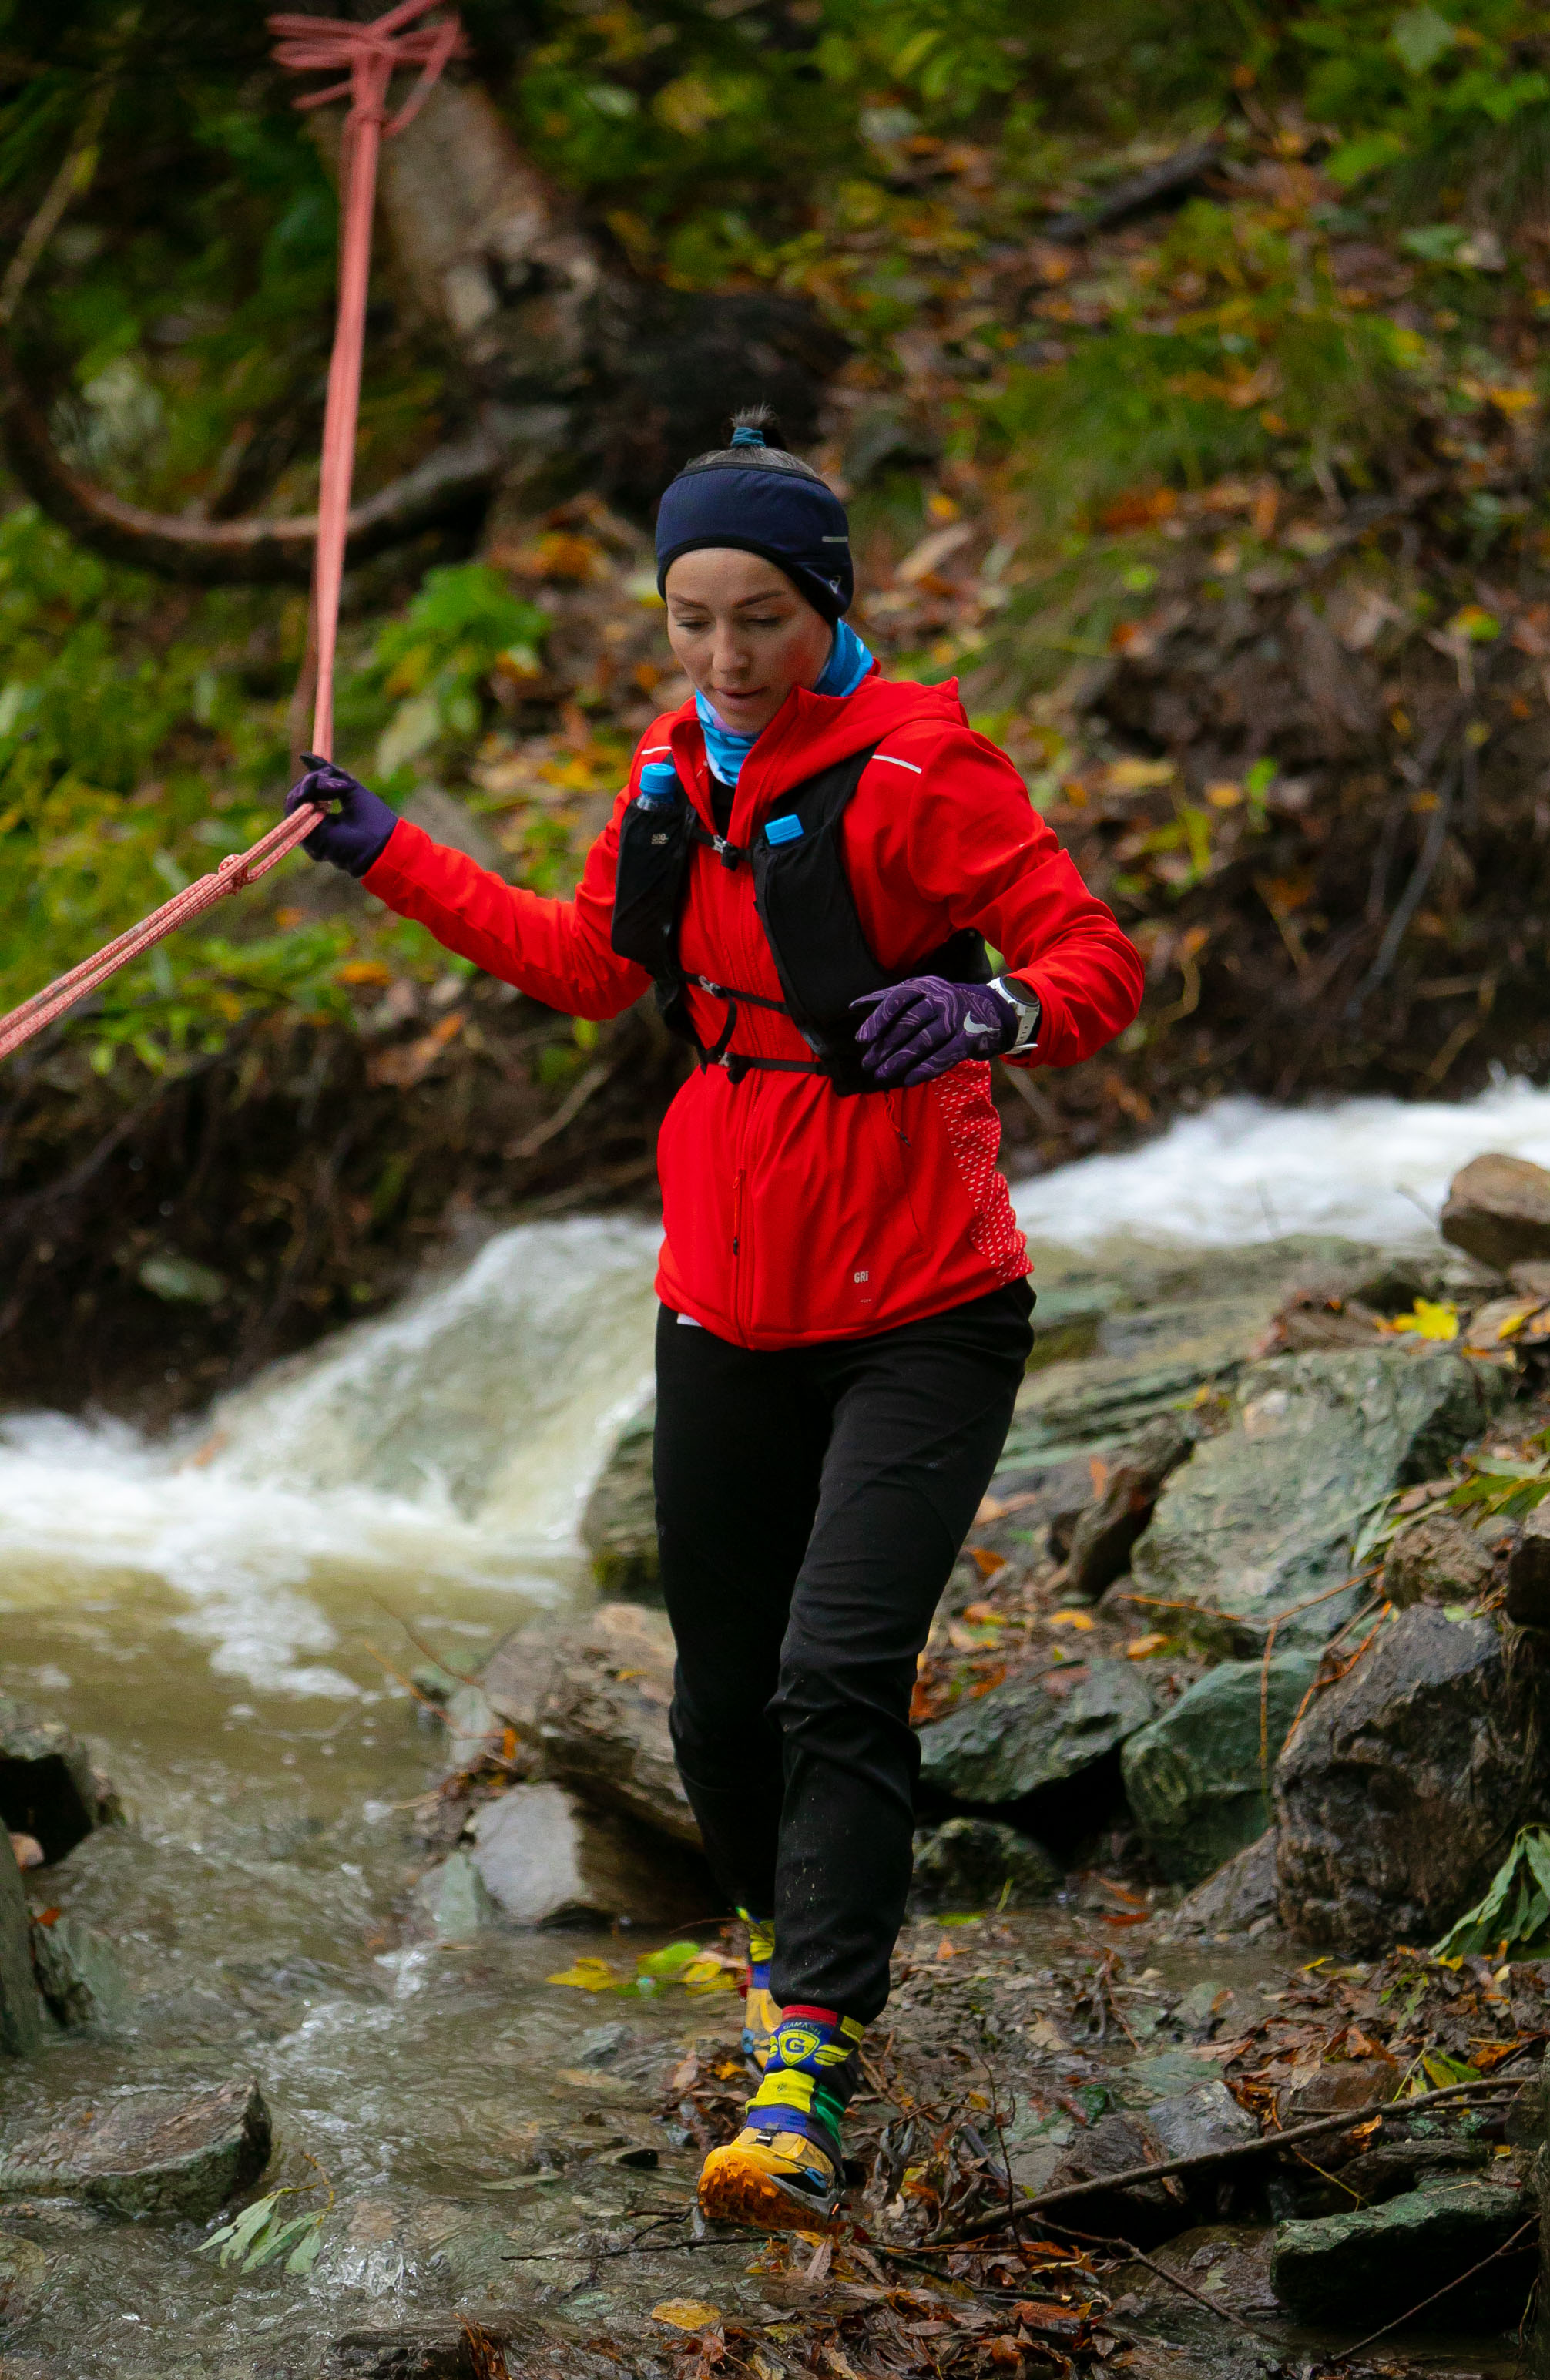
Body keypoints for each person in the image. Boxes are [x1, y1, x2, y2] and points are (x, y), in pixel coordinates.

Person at [287, 410, 1144, 2232]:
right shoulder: (675, 768)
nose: (726, 658)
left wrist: (985, 1020)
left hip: (923, 1302)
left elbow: (1096, 962)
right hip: (722, 1297)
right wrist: (383, 849)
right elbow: (592, 964)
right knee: (716, 1714)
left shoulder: (926, 769)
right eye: (692, 620)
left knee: (839, 1676)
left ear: (826, 606)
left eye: (760, 618)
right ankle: (787, 1957)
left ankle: (809, 2059)